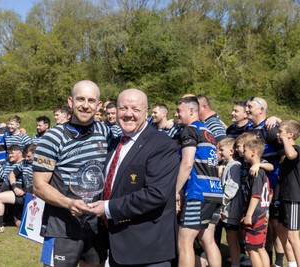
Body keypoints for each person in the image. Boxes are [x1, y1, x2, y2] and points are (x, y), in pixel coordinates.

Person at [89, 89, 180, 266]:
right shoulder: (114, 144)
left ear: (146, 112)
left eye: (135, 109)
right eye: (123, 108)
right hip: (116, 247)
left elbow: (156, 193)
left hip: (147, 250)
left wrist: (107, 208)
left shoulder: (162, 145)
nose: (128, 114)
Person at [32, 80, 110, 267]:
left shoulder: (105, 132)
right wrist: (69, 203)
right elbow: (38, 186)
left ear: (98, 105)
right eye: (80, 99)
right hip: (61, 226)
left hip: (95, 225)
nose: (85, 105)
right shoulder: (52, 138)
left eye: (91, 100)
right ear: (70, 102)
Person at [174, 96, 223, 267]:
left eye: (179, 111)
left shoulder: (189, 130)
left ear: (191, 111)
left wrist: (175, 191)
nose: (176, 114)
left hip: (198, 193)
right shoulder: (207, 132)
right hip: (215, 192)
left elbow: (187, 163)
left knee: (184, 242)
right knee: (208, 240)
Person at [245, 97, 286, 266]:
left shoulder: (269, 128)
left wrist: (278, 121)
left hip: (271, 183)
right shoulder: (248, 128)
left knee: (274, 224)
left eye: (250, 107)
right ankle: (265, 258)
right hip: (254, 182)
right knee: (263, 225)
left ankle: (279, 261)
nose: (246, 109)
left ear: (261, 110)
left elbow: (287, 147)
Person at [0, 144, 36, 234]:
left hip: (38, 197)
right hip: (26, 195)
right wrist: (15, 187)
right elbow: (12, 174)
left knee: (24, 225)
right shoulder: (24, 163)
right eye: (26, 156)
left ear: (36, 153)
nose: (26, 158)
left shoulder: (42, 165)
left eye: (28, 156)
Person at [242, 139, 270, 267]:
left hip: (255, 214)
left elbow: (256, 195)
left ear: (253, 152)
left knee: (252, 248)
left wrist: (248, 215)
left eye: (245, 151)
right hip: (262, 213)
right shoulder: (261, 170)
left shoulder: (256, 172)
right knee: (259, 247)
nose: (242, 153)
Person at [276, 120, 300, 267]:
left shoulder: (295, 148)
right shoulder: (284, 151)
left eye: (281, 132)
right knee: (281, 231)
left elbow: (291, 154)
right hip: (284, 197)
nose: (278, 134)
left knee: (293, 234)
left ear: (290, 135)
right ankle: (291, 264)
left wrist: (285, 138)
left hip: (293, 197)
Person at [219, 138, 242, 267]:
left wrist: (220, 203)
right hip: (227, 208)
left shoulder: (235, 166)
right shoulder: (227, 165)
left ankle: (235, 263)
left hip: (231, 209)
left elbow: (231, 188)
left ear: (232, 151)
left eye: (222, 150)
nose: (220, 153)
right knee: (230, 237)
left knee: (232, 238)